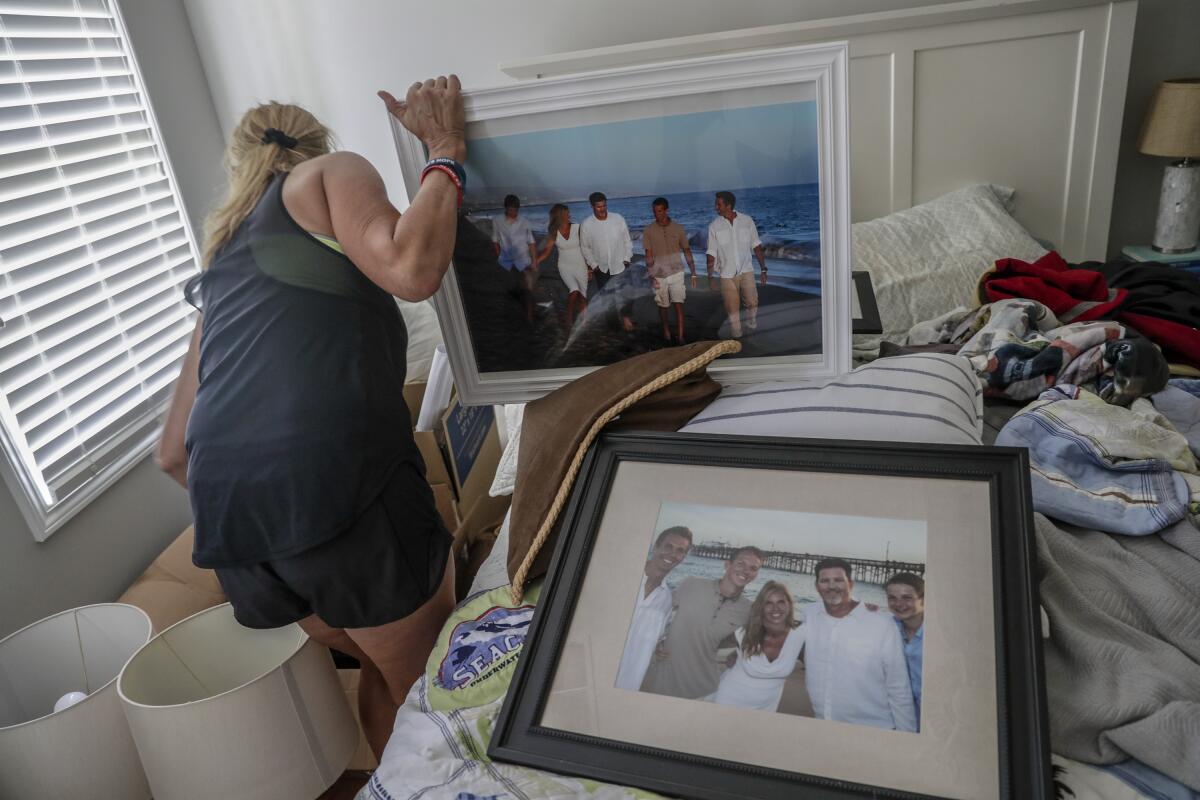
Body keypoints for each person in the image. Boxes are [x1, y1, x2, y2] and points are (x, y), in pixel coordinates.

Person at [155, 77, 467, 761]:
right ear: (314, 144)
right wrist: (443, 151)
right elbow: (412, 268)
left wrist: (275, 511)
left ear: (239, 167)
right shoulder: (326, 175)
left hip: (243, 543)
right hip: (341, 509)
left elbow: (173, 453)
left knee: (388, 681)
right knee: (435, 700)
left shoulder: (223, 266)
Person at [801, 558, 917, 732]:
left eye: (839, 580)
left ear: (851, 584)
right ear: (817, 586)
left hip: (873, 729)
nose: (832, 586)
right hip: (822, 723)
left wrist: (906, 736)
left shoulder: (882, 623)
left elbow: (899, 687)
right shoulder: (809, 614)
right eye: (825, 581)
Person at [641, 546, 764, 699]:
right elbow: (656, 609)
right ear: (727, 564)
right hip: (663, 680)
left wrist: (736, 654)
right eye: (741, 563)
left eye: (753, 568)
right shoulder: (691, 584)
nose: (746, 570)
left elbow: (752, 639)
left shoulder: (748, 610)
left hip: (704, 689)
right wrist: (657, 639)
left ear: (756, 574)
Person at [614, 526, 693, 691]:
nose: (672, 554)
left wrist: (659, 646)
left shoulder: (667, 601)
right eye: (668, 546)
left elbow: (657, 640)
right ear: (656, 546)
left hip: (628, 685)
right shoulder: (621, 577)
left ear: (683, 557)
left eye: (680, 551)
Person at [712, 581, 805, 712]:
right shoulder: (744, 633)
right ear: (761, 606)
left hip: (766, 708)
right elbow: (709, 645)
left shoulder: (800, 636)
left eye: (781, 602)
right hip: (729, 700)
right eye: (768, 603)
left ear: (789, 605)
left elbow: (821, 666)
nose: (775, 608)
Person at [705, 191, 767, 339]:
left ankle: (751, 325)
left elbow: (756, 246)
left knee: (752, 302)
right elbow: (711, 253)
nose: (716, 207)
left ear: (729, 205)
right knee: (732, 311)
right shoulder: (714, 226)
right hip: (726, 275)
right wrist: (710, 277)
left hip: (747, 270)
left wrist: (763, 268)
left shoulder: (747, 221)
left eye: (719, 204)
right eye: (716, 204)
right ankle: (737, 338)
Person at [642, 197, 697, 345]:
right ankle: (666, 331)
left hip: (677, 272)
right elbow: (648, 255)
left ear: (666, 210)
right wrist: (651, 275)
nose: (657, 214)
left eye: (659, 211)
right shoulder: (648, 230)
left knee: (678, 303)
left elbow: (686, 250)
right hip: (659, 275)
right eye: (654, 211)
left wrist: (693, 271)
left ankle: (680, 336)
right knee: (663, 306)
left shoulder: (678, 228)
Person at [579, 191, 634, 332]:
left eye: (604, 205)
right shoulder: (586, 224)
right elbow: (585, 248)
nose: (602, 209)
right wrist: (594, 266)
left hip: (621, 264)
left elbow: (627, 240)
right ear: (592, 206)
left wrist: (627, 259)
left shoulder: (618, 219)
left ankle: (626, 317)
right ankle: (614, 326)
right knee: (607, 297)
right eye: (599, 207)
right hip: (601, 268)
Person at [534, 203, 590, 329]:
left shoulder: (577, 228)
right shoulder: (554, 233)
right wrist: (536, 261)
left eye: (568, 212)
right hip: (565, 266)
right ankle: (569, 319)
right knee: (574, 290)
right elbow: (546, 252)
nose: (569, 215)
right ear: (560, 216)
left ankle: (584, 321)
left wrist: (590, 267)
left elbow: (586, 248)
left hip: (580, 264)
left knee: (583, 294)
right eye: (566, 213)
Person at [886, 571, 926, 728]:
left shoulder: (940, 634)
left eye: (907, 598)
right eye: (892, 598)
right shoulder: (889, 627)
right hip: (902, 716)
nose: (899, 604)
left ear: (923, 599)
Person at [491, 194, 538, 322]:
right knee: (511, 290)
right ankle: (516, 314)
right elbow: (495, 240)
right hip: (506, 262)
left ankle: (529, 315)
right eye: (511, 209)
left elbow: (531, 242)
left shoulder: (524, 222)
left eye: (516, 209)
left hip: (523, 260)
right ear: (506, 208)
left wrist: (534, 261)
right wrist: (498, 256)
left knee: (527, 289)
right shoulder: (497, 221)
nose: (514, 212)